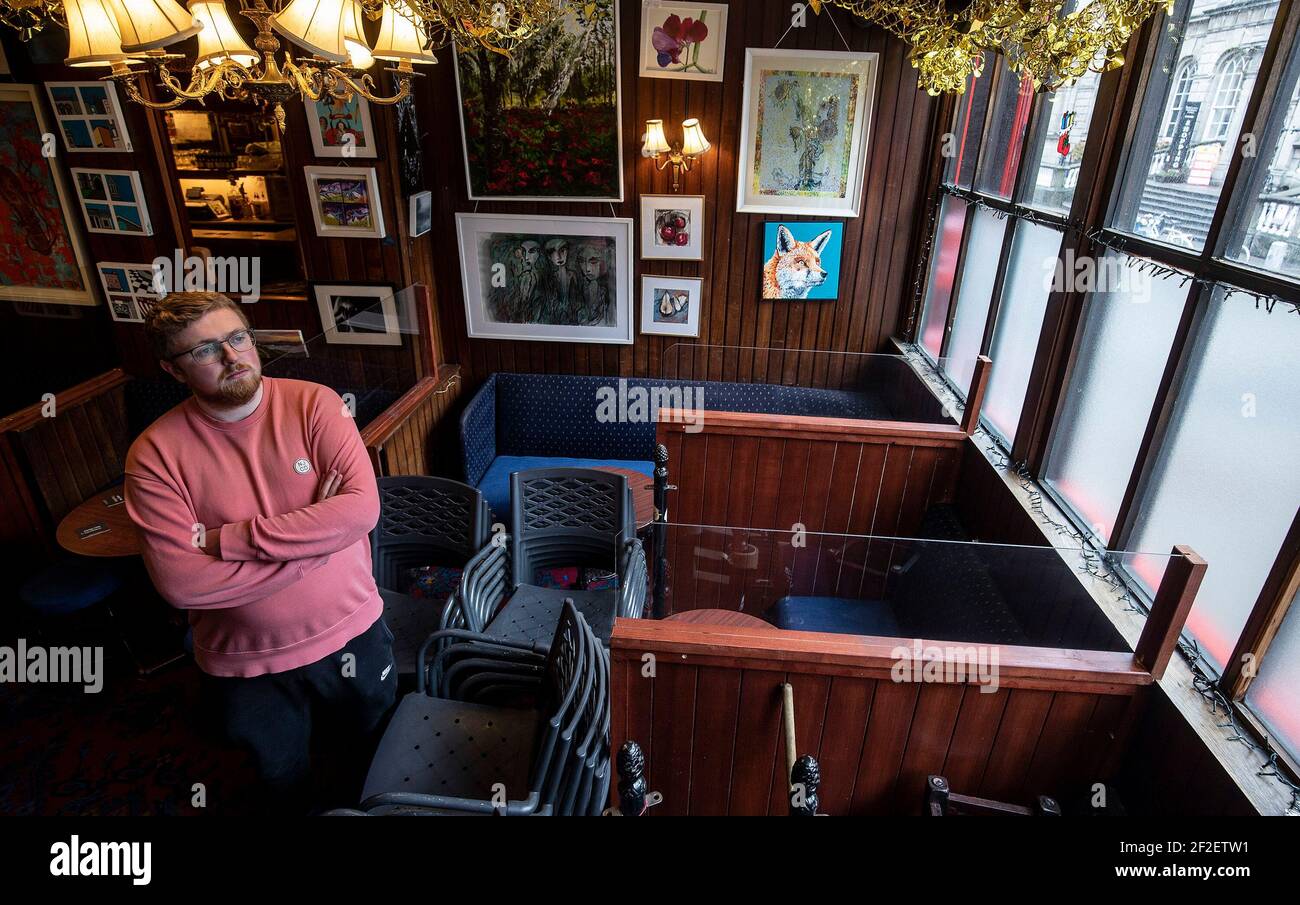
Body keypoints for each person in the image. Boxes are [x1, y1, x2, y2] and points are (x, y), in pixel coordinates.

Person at [123, 291, 395, 814]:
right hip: (246, 666)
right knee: (282, 781)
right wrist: (318, 545)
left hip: (352, 634)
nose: (231, 357)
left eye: (237, 338)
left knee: (371, 758)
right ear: (172, 370)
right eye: (203, 351)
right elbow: (183, 585)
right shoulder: (154, 455)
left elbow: (360, 513)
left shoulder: (315, 404)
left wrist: (227, 541)